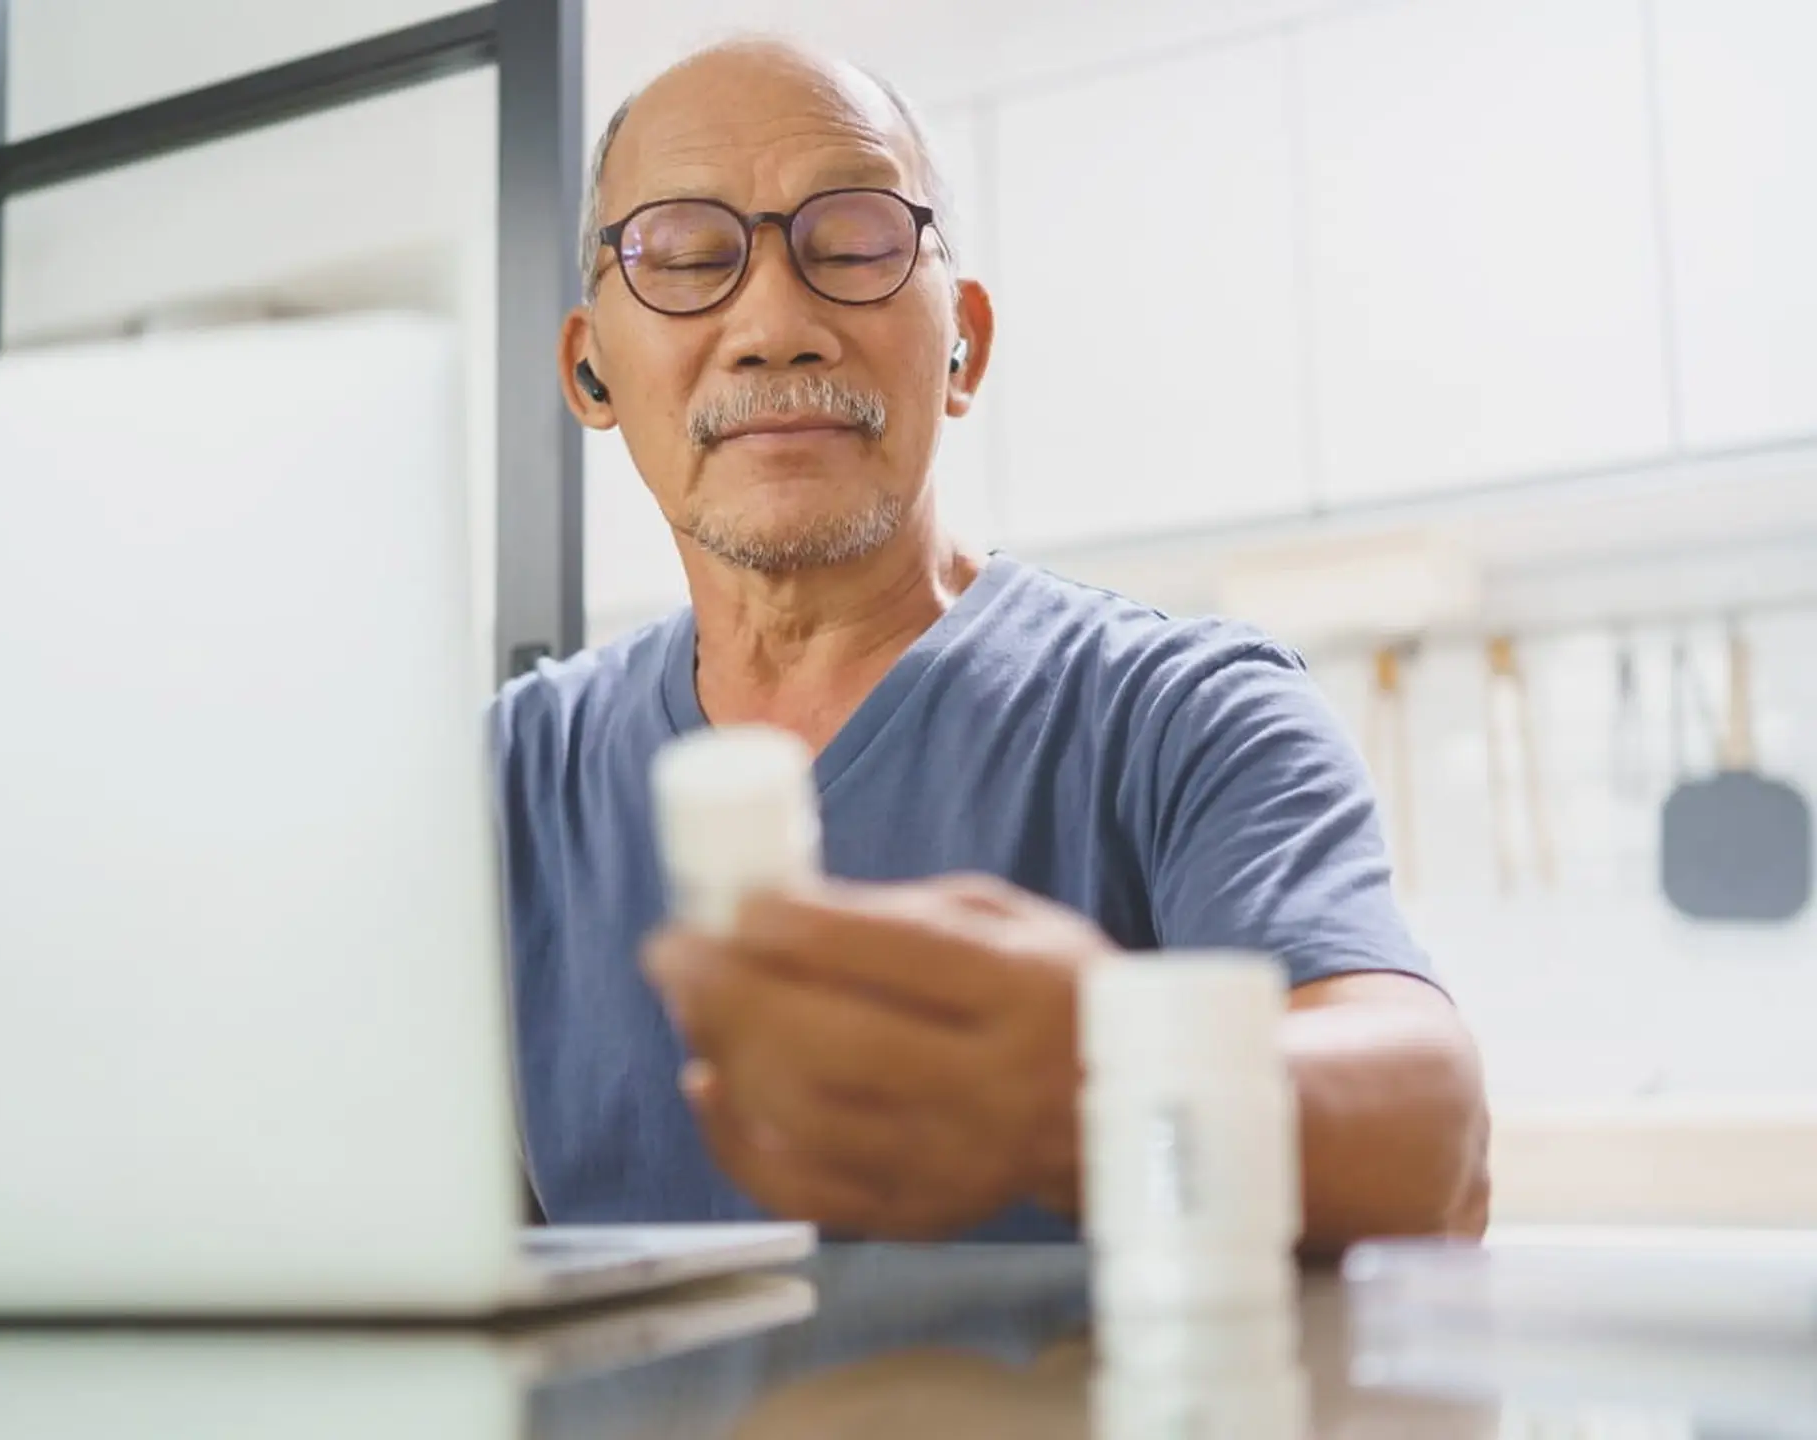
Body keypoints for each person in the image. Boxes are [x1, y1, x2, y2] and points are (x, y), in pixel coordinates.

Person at [494, 36, 1490, 1249]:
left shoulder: (1184, 717)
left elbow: (1435, 1148)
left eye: (854, 245)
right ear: (589, 368)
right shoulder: (507, 778)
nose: (773, 324)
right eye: (689, 257)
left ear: (962, 342)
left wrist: (1095, 1097)